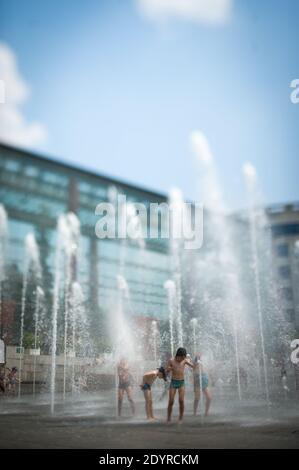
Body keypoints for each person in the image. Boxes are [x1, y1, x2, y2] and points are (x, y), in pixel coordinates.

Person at [166, 347, 194, 423]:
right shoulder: (171, 361)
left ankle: (180, 418)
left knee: (181, 400)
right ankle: (168, 418)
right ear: (178, 355)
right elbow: (166, 370)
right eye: (182, 357)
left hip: (181, 382)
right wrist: (168, 369)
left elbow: (193, 366)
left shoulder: (184, 361)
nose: (182, 359)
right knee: (171, 401)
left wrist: (194, 363)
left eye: (184, 358)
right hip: (173, 382)